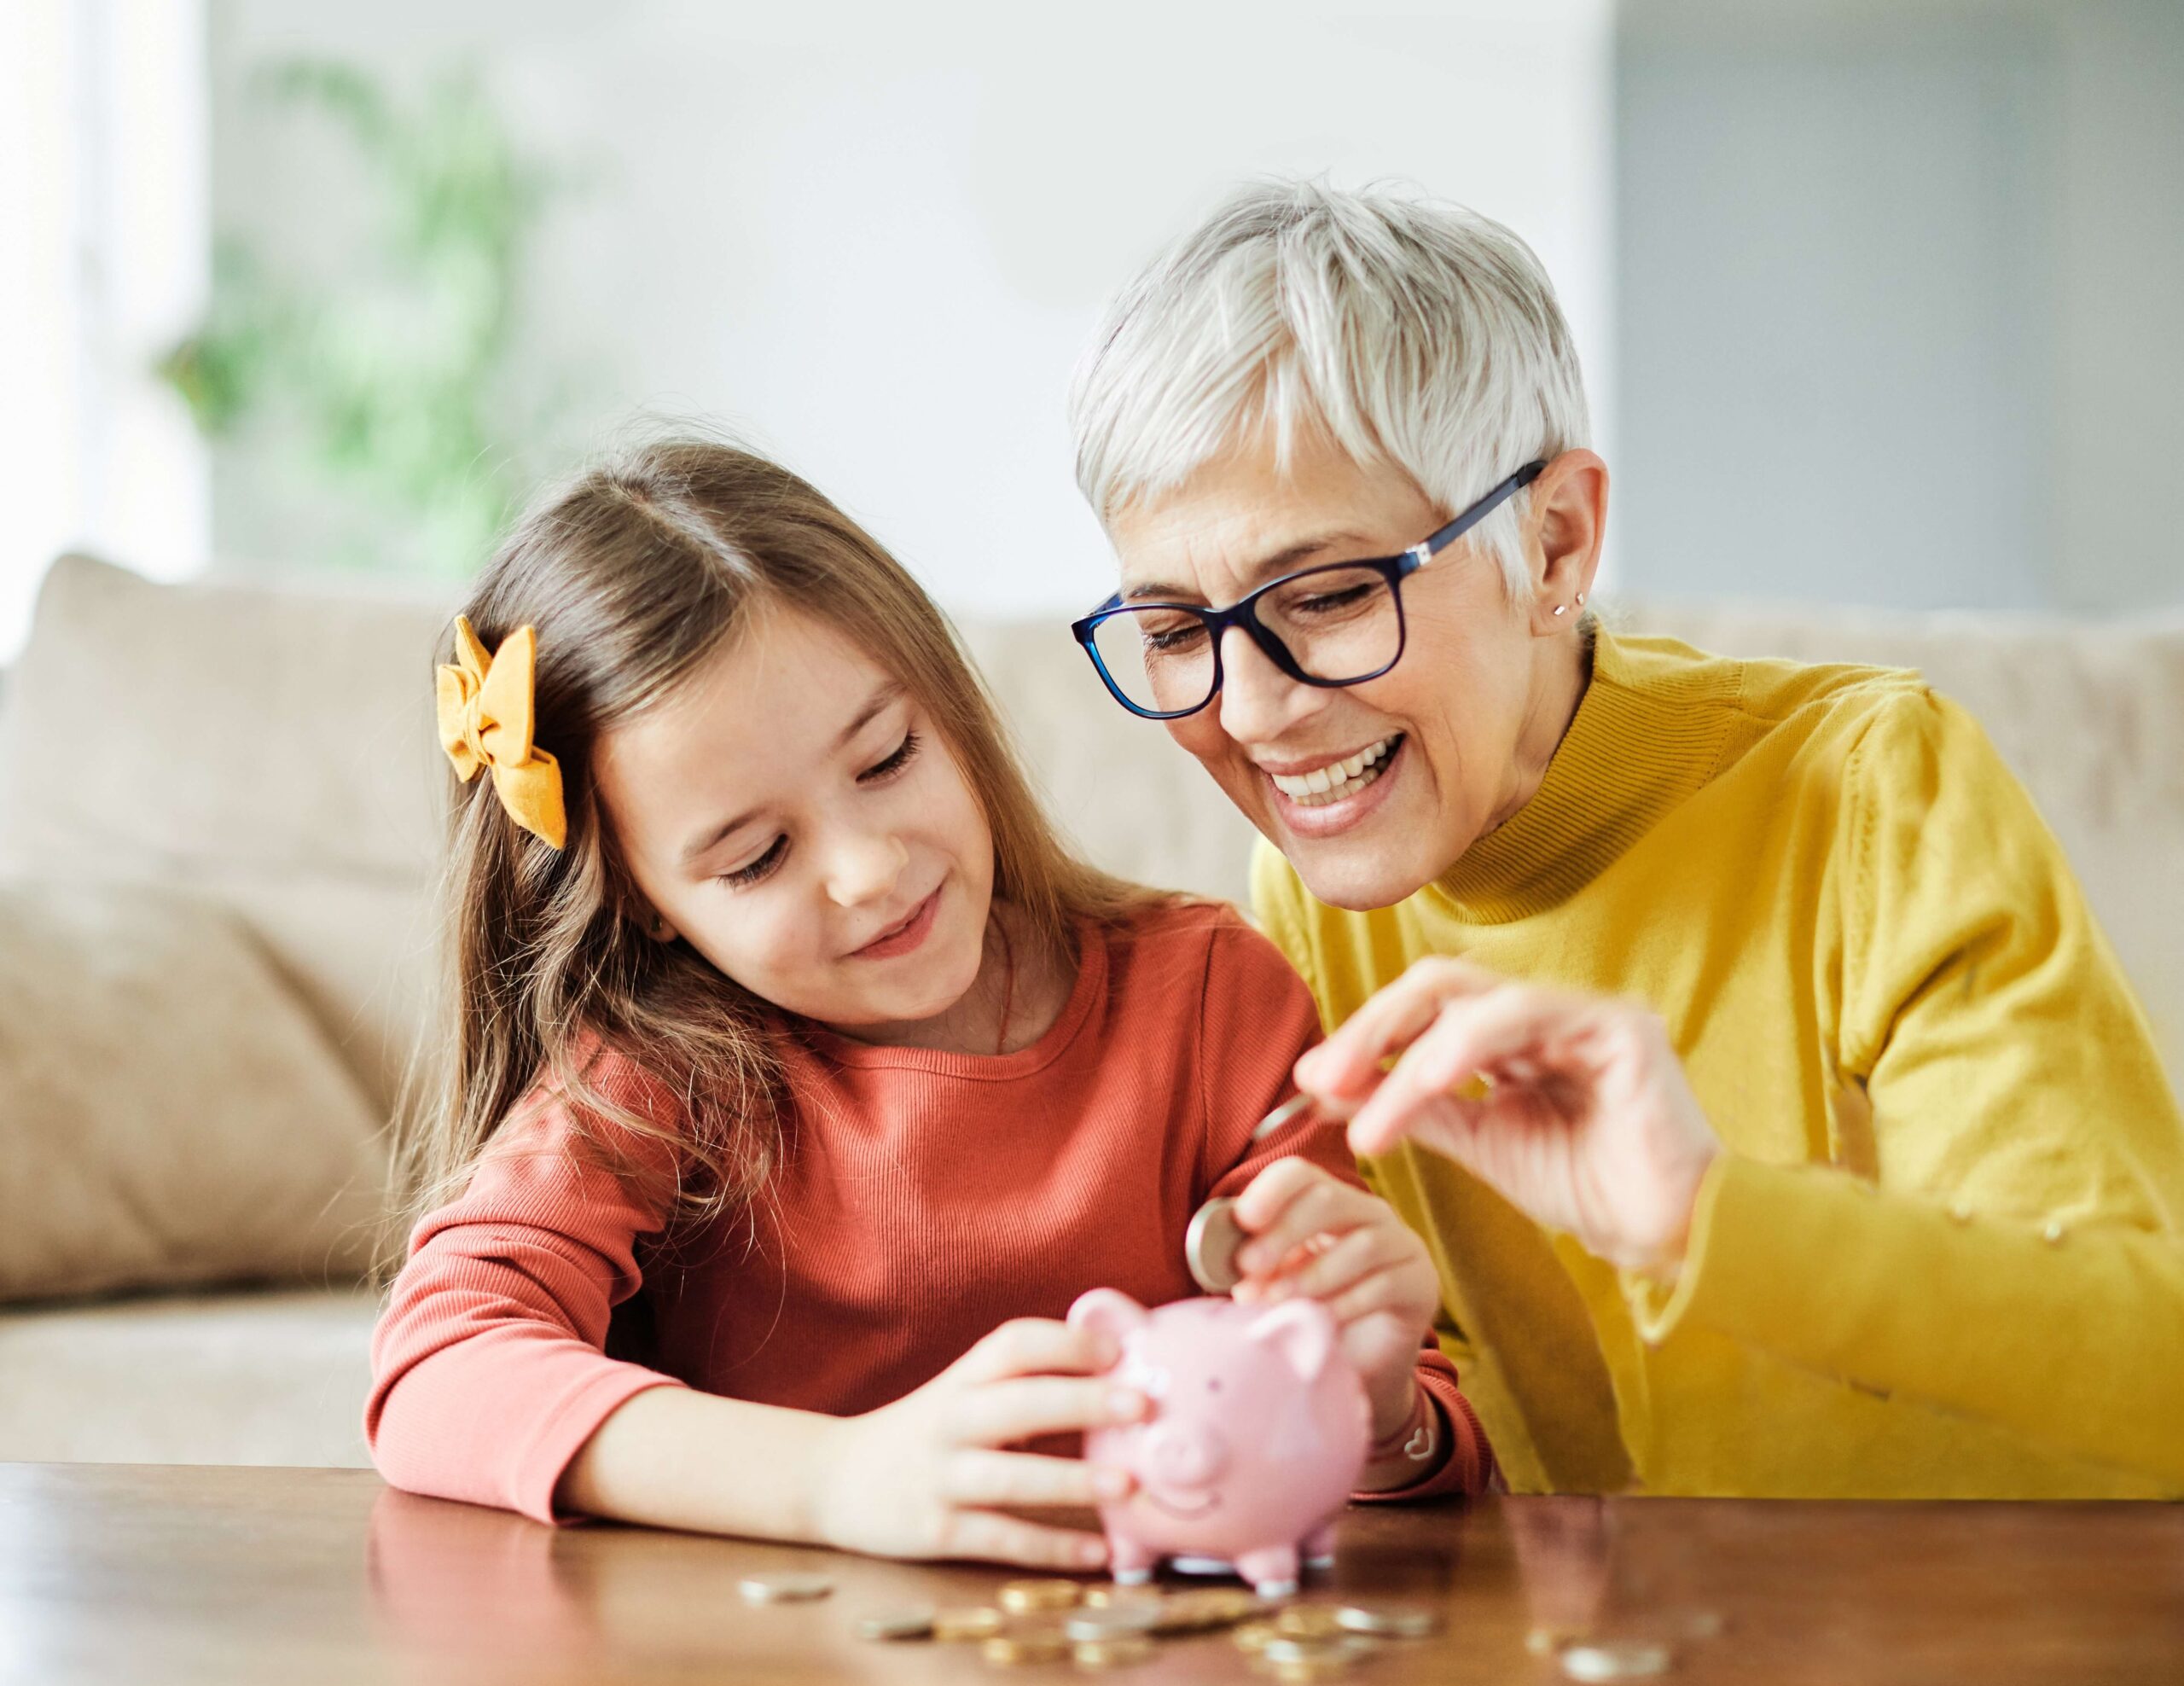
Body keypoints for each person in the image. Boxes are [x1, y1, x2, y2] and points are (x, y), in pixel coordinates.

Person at [1066, 180, 2184, 1497]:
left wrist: (1703, 1218)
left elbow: (2152, 1380)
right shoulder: (1312, 890)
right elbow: (1462, 1428)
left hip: (1949, 1659)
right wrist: (1385, 1418)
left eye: (1327, 596)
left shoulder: (1876, 789)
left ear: (1555, 543)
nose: (1250, 712)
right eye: (1179, 633)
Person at [368, 438, 1493, 1568]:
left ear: (948, 708)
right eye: (755, 858)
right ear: (649, 903)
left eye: (888, 758)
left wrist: (1381, 1402)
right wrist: (836, 1481)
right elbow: (436, 1369)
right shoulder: (656, 1074)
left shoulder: (1208, 1001)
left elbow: (1402, 1453)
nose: (869, 869)